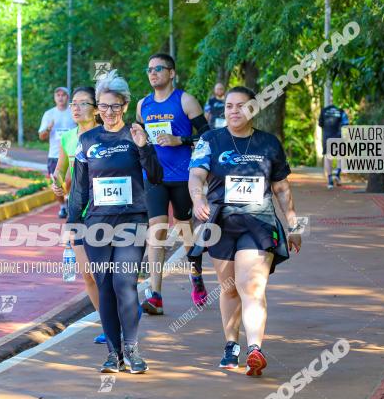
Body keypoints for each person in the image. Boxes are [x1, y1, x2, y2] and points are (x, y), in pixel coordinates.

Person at [188, 86, 301, 377]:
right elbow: (196, 175)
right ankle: (231, 344)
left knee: (251, 285)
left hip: (259, 221)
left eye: (241, 106)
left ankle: (255, 349)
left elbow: (281, 188)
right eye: (229, 106)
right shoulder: (211, 139)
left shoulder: (268, 143)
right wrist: (198, 198)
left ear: (253, 109)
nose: (234, 111)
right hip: (221, 222)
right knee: (229, 288)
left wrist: (295, 225)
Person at [68, 70, 163, 374]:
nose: (109, 113)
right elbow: (79, 188)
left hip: (132, 221)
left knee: (125, 283)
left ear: (125, 105)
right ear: (98, 108)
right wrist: (73, 223)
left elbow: (157, 176)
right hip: (97, 224)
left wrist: (145, 146)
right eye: (104, 107)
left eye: (115, 106)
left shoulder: (135, 135)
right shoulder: (87, 140)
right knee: (105, 286)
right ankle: (113, 353)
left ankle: (132, 350)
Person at [52, 86, 143, 346]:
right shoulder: (70, 138)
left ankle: (125, 318)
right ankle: (108, 323)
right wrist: (57, 183)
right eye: (73, 104)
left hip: (115, 214)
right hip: (80, 212)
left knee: (118, 277)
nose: (76, 108)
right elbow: (62, 171)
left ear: (96, 108)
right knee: (90, 275)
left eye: (82, 103)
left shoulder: (114, 136)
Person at [136, 53, 210, 315]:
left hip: (183, 176)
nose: (153, 73)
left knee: (185, 227)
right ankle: (155, 294)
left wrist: (181, 140)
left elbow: (207, 136)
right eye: (149, 69)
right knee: (157, 230)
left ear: (171, 73)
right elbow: (139, 139)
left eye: (158, 68)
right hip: (155, 177)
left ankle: (196, 274)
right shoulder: (142, 105)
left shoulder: (186, 100)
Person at [39, 87, 77, 218]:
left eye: (64, 95)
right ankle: (62, 206)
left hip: (72, 154)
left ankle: (69, 200)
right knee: (57, 183)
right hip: (54, 155)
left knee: (70, 180)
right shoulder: (49, 114)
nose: (61, 97)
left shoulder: (74, 111)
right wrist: (49, 128)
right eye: (58, 95)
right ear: (55, 98)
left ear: (68, 97)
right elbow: (41, 136)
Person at [319, 103, 349, 189]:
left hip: (327, 137)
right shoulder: (340, 111)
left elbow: (321, 124)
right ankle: (337, 174)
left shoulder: (323, 111)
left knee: (328, 158)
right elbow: (345, 124)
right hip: (339, 137)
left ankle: (330, 181)